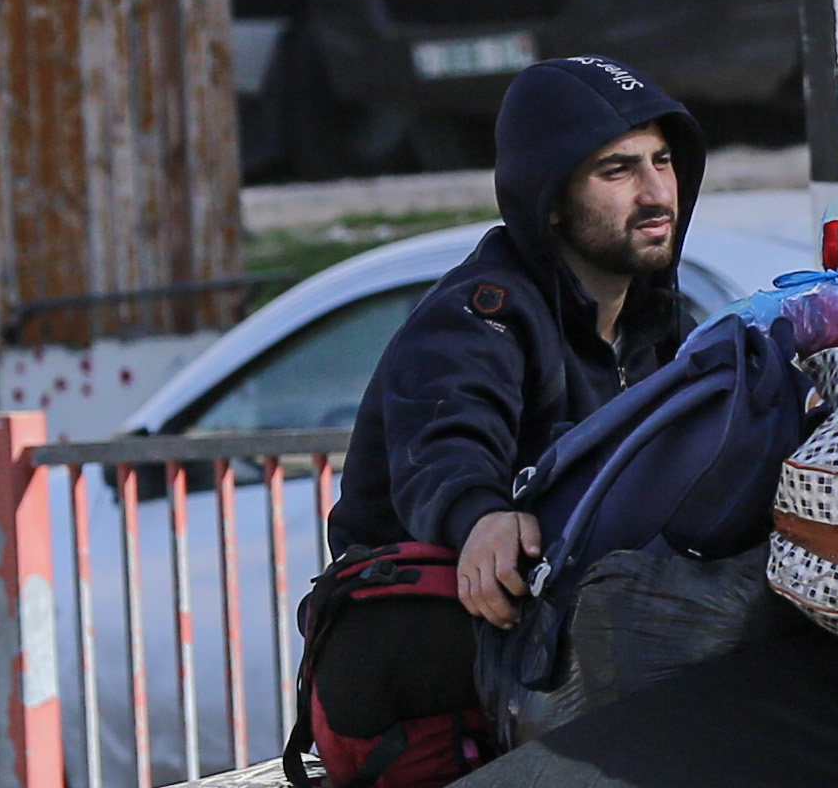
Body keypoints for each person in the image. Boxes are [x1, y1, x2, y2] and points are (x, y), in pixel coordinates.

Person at [302, 56, 706, 751]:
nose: (655, 192)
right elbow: (443, 441)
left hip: (577, 645)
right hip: (434, 659)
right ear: (550, 198)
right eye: (617, 170)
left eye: (663, 161)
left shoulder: (661, 326)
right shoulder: (478, 315)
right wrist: (481, 516)